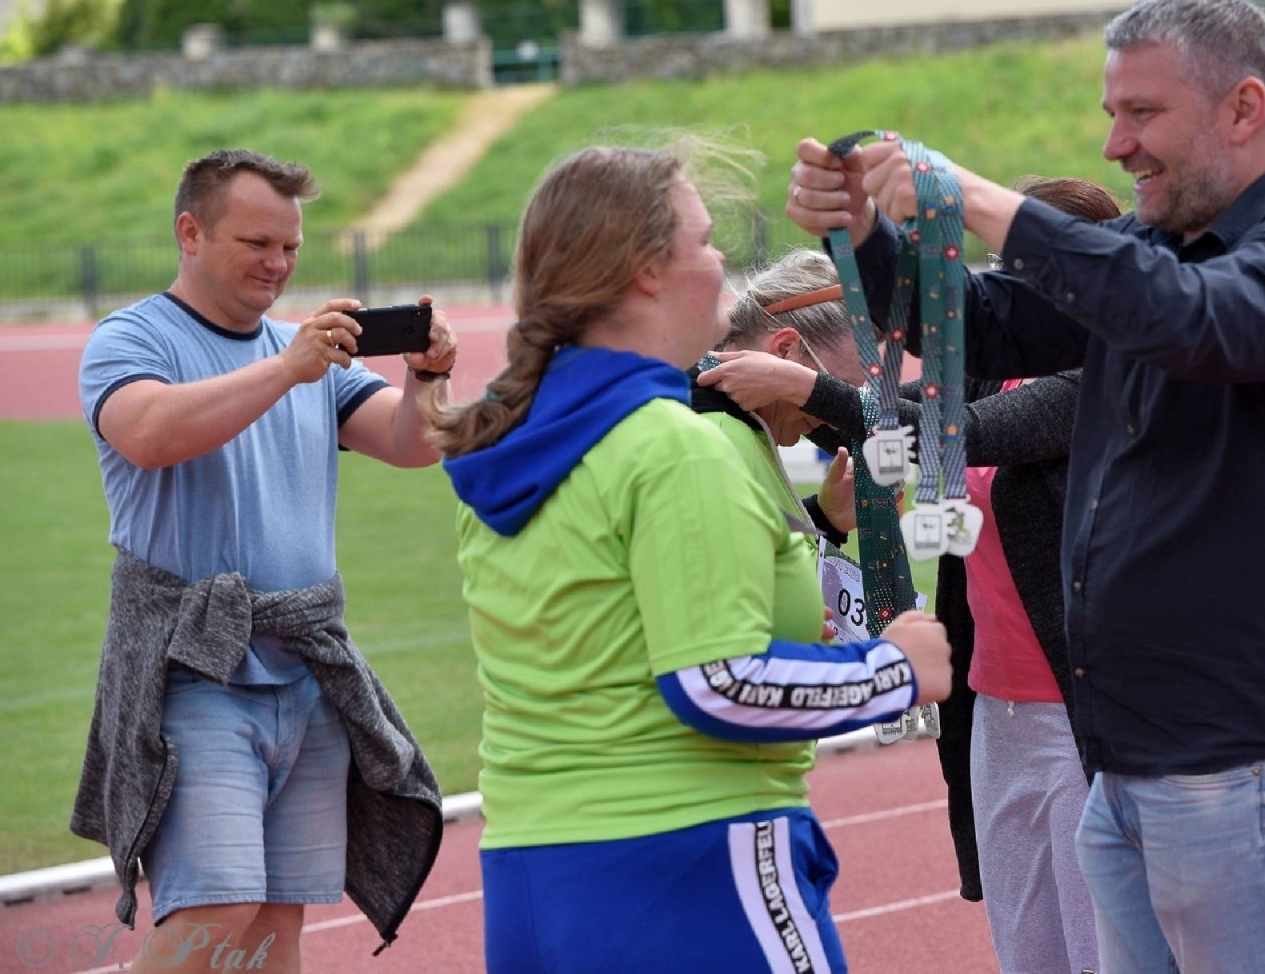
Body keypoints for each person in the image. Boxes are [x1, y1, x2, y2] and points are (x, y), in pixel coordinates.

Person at [786, 0, 1265, 974]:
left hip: (1246, 756)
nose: (1115, 146)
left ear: (1243, 110)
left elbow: (1186, 319)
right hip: (1135, 759)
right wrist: (860, 232)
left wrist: (973, 197)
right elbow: (973, 322)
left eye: (1142, 113)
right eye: (1111, 115)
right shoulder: (1152, 252)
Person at [421, 141, 953, 974]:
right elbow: (716, 682)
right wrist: (896, 669)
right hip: (689, 860)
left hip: (534, 867)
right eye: (707, 244)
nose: (721, 270)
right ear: (644, 271)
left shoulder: (520, 435)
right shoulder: (673, 445)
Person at [701, 175, 1121, 974]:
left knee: (1105, 947)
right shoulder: (996, 366)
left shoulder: (1100, 375)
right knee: (1030, 949)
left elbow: (956, 430)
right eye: (1011, 266)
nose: (1014, 292)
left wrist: (812, 388)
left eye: (1038, 272)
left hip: (1084, 711)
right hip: (996, 713)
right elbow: (897, 407)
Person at [73, 148, 457, 971]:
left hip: (305, 672)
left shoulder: (304, 352)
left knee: (279, 923)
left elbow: (411, 443)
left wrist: (430, 378)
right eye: (256, 243)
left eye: (289, 247)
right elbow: (147, 434)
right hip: (195, 673)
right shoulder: (131, 337)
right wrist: (286, 368)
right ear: (190, 232)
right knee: (217, 909)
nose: (278, 265)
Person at [692, 246, 866, 560]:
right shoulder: (715, 439)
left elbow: (761, 553)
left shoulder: (741, 428)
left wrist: (825, 518)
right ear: (785, 350)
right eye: (829, 387)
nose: (832, 417)